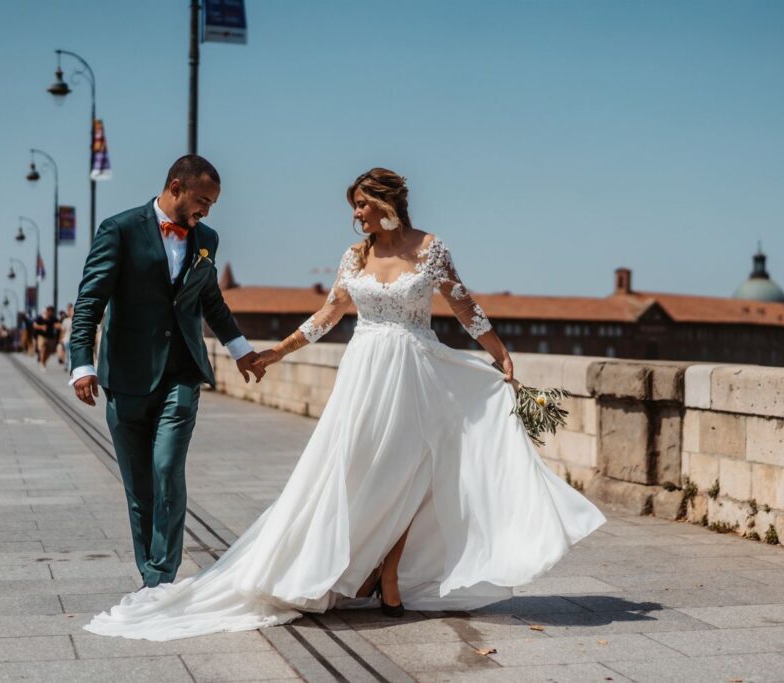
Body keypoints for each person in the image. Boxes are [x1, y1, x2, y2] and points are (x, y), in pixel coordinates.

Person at [84, 168, 605, 641]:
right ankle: (348, 568)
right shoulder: (354, 256)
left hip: (415, 373)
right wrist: (276, 352)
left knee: (408, 473)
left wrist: (500, 354)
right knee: (353, 472)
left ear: (386, 203)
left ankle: (390, 574)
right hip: (364, 375)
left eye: (361, 204)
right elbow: (328, 314)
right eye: (354, 206)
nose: (355, 214)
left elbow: (463, 305)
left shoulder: (430, 249)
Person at [69, 155, 264, 590]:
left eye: (212, 204)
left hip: (182, 372)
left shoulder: (206, 239)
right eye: (202, 200)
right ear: (176, 187)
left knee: (167, 469)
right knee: (140, 488)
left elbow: (210, 300)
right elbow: (90, 301)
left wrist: (240, 349)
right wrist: (81, 362)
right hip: (126, 376)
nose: (207, 211)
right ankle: (150, 581)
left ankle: (162, 578)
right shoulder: (120, 230)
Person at [58, 304, 74, 372]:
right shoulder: (66, 320)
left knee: (71, 353)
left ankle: (69, 366)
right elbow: (63, 331)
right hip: (67, 339)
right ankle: (68, 365)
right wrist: (61, 339)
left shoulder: (76, 320)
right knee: (68, 353)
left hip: (73, 340)